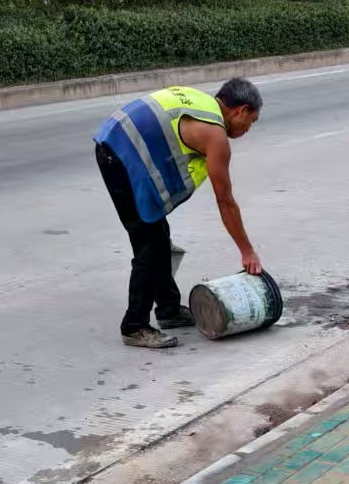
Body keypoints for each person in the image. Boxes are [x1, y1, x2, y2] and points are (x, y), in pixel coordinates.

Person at [94, 77, 263, 349]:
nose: (248, 129)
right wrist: (247, 251)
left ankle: (169, 309)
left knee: (159, 235)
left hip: (115, 143)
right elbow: (225, 201)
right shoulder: (216, 135)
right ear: (240, 110)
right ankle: (134, 326)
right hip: (118, 155)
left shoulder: (201, 102)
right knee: (149, 243)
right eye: (251, 121)